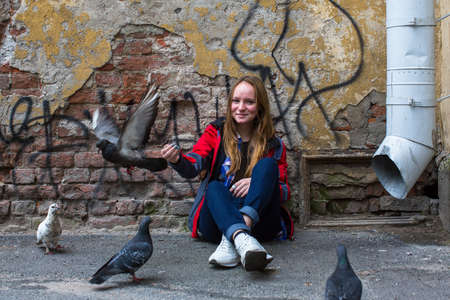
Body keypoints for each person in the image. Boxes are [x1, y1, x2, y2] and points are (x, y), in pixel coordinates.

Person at [161, 75, 292, 271]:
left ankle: (238, 236)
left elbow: (284, 191)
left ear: (260, 108)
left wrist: (256, 182)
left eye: (249, 102)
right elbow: (193, 166)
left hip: (261, 223)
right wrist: (177, 160)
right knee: (213, 187)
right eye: (236, 101)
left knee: (267, 167)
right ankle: (242, 239)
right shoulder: (216, 132)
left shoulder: (274, 145)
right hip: (217, 221)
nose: (241, 107)